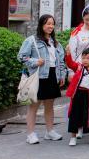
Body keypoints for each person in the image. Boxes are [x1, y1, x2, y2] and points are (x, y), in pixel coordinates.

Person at [17, 14, 66, 144]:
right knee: (34, 106)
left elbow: (60, 61)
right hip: (38, 76)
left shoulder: (55, 43)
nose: (50, 26)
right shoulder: (31, 40)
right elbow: (21, 57)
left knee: (50, 105)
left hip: (52, 75)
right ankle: (31, 134)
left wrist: (62, 75)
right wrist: (35, 61)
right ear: (41, 25)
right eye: (47, 23)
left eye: (52, 24)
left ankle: (50, 132)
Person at [64, 47, 89, 146]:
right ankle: (73, 137)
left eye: (88, 58)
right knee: (74, 116)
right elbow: (70, 63)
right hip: (77, 94)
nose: (85, 60)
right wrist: (68, 54)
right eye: (83, 58)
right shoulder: (79, 67)